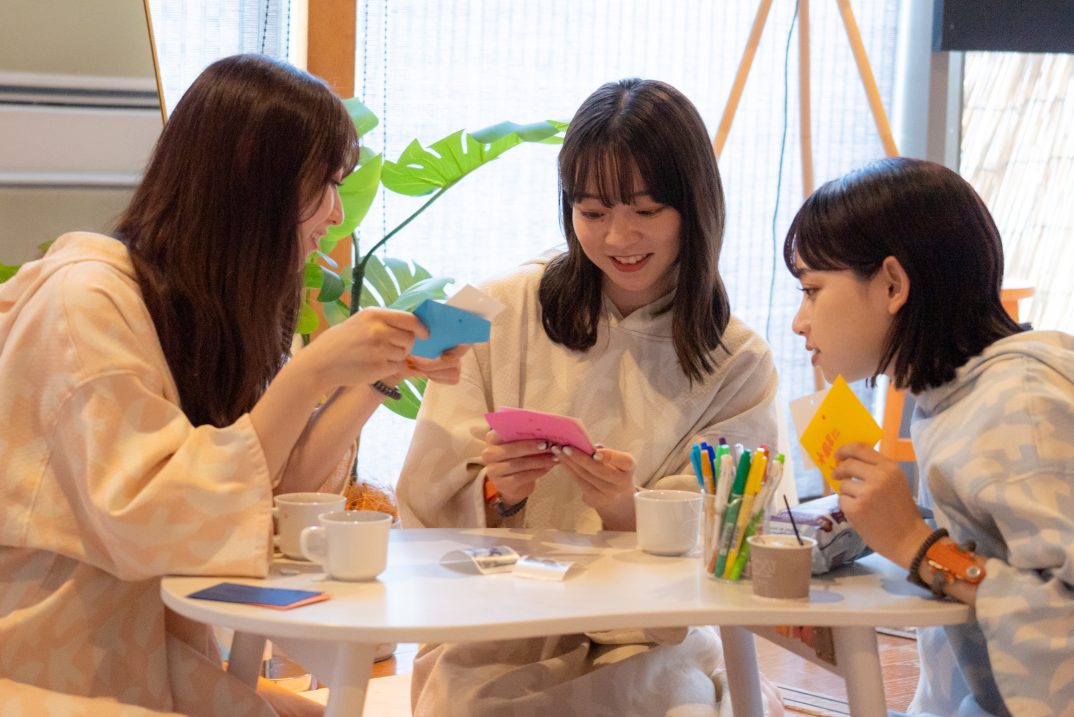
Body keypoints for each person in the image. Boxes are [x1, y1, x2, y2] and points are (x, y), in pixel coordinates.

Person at [0, 54, 465, 717]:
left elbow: (272, 494)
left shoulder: (188, 308)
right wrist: (309, 372)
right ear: (255, 180)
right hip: (53, 659)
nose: (336, 213)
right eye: (325, 185)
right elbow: (152, 517)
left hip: (144, 649)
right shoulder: (84, 300)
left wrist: (372, 380)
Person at [397, 79, 783, 717]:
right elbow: (423, 497)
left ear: (695, 206)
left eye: (647, 211)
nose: (618, 238)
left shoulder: (738, 358)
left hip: (649, 639)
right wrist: (495, 492)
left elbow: (730, 543)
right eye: (593, 212)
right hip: (501, 631)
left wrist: (628, 511)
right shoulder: (491, 307)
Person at [784, 156, 1074, 716]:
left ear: (892, 285)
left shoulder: (1021, 403)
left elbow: (1063, 619)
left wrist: (916, 545)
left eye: (812, 289)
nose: (800, 321)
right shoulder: (956, 398)